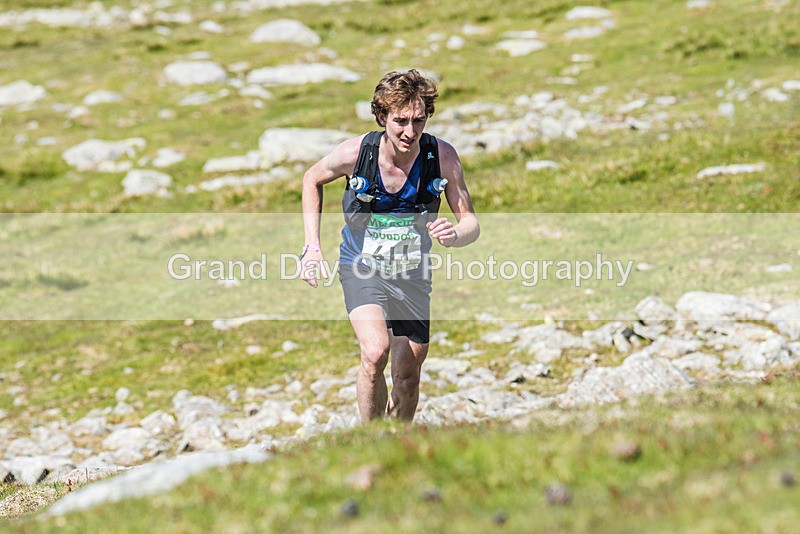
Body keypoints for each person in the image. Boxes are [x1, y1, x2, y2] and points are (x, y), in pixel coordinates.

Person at [300, 69, 479, 422]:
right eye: (400, 121)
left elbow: (470, 222)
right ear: (382, 117)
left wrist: (454, 234)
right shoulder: (356, 153)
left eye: (418, 121)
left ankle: (398, 444)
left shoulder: (441, 156)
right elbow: (312, 179)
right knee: (375, 351)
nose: (410, 132)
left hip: (412, 271)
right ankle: (370, 440)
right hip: (361, 266)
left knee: (408, 373)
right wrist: (312, 246)